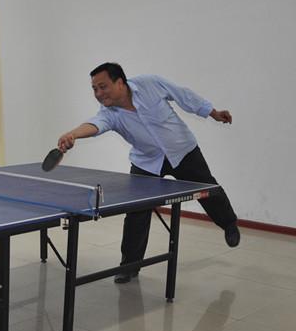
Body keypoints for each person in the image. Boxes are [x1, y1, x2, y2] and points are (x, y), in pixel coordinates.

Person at [57, 62, 240, 284]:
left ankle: (229, 224)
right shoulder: (109, 114)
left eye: (103, 87)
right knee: (137, 210)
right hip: (147, 160)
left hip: (182, 150)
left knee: (208, 189)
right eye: (94, 89)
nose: (98, 93)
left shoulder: (150, 84)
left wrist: (213, 113)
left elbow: (183, 96)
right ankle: (129, 265)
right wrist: (73, 134)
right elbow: (96, 124)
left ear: (120, 82)